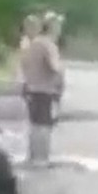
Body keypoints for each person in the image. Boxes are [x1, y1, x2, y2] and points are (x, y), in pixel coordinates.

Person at [19, 14, 65, 166]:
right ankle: (42, 159)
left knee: (34, 125)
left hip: (32, 89)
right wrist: (61, 72)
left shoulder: (32, 44)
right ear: (52, 27)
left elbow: (24, 66)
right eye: (58, 26)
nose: (60, 29)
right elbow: (54, 67)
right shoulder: (49, 45)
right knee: (45, 126)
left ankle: (32, 158)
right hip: (46, 91)